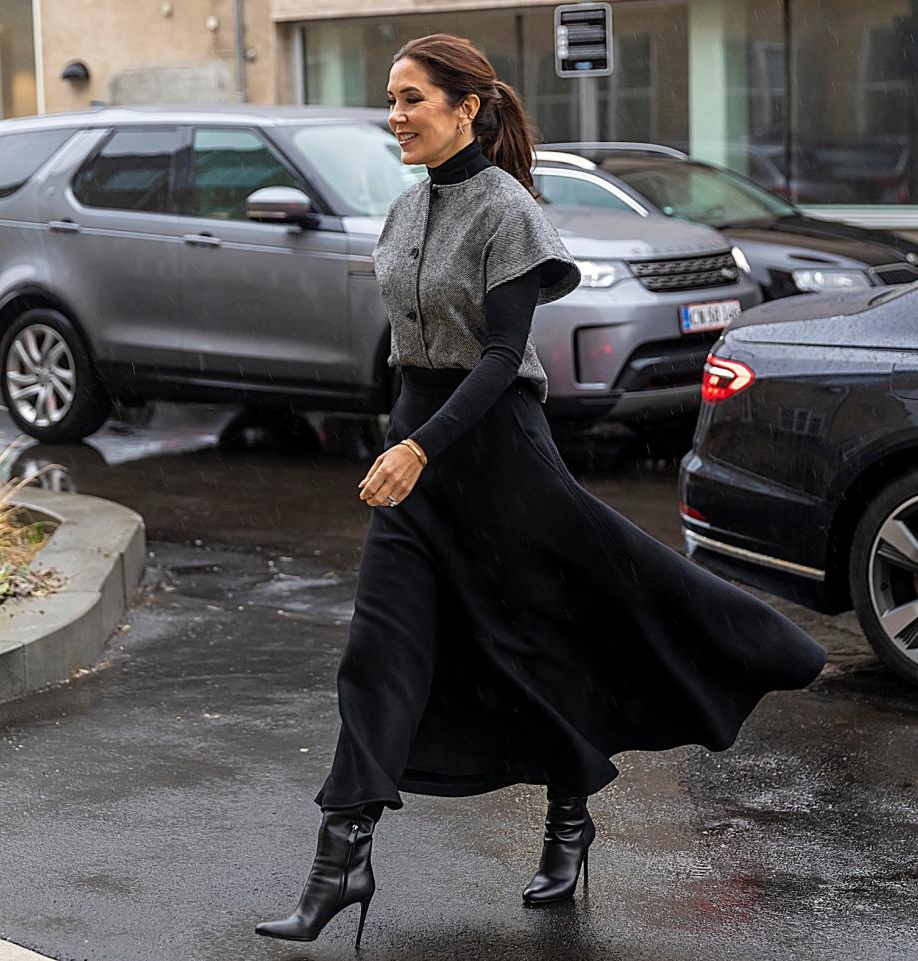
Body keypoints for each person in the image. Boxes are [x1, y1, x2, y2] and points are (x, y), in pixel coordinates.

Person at [255, 33, 827, 947]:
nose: (394, 116)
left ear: (465, 108)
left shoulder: (507, 210)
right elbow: (405, 349)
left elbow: (497, 358)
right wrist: (392, 437)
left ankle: (570, 818)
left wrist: (420, 449)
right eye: (390, 100)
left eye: (412, 99)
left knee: (542, 639)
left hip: (500, 455)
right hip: (418, 452)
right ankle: (341, 861)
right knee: (378, 649)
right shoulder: (403, 214)